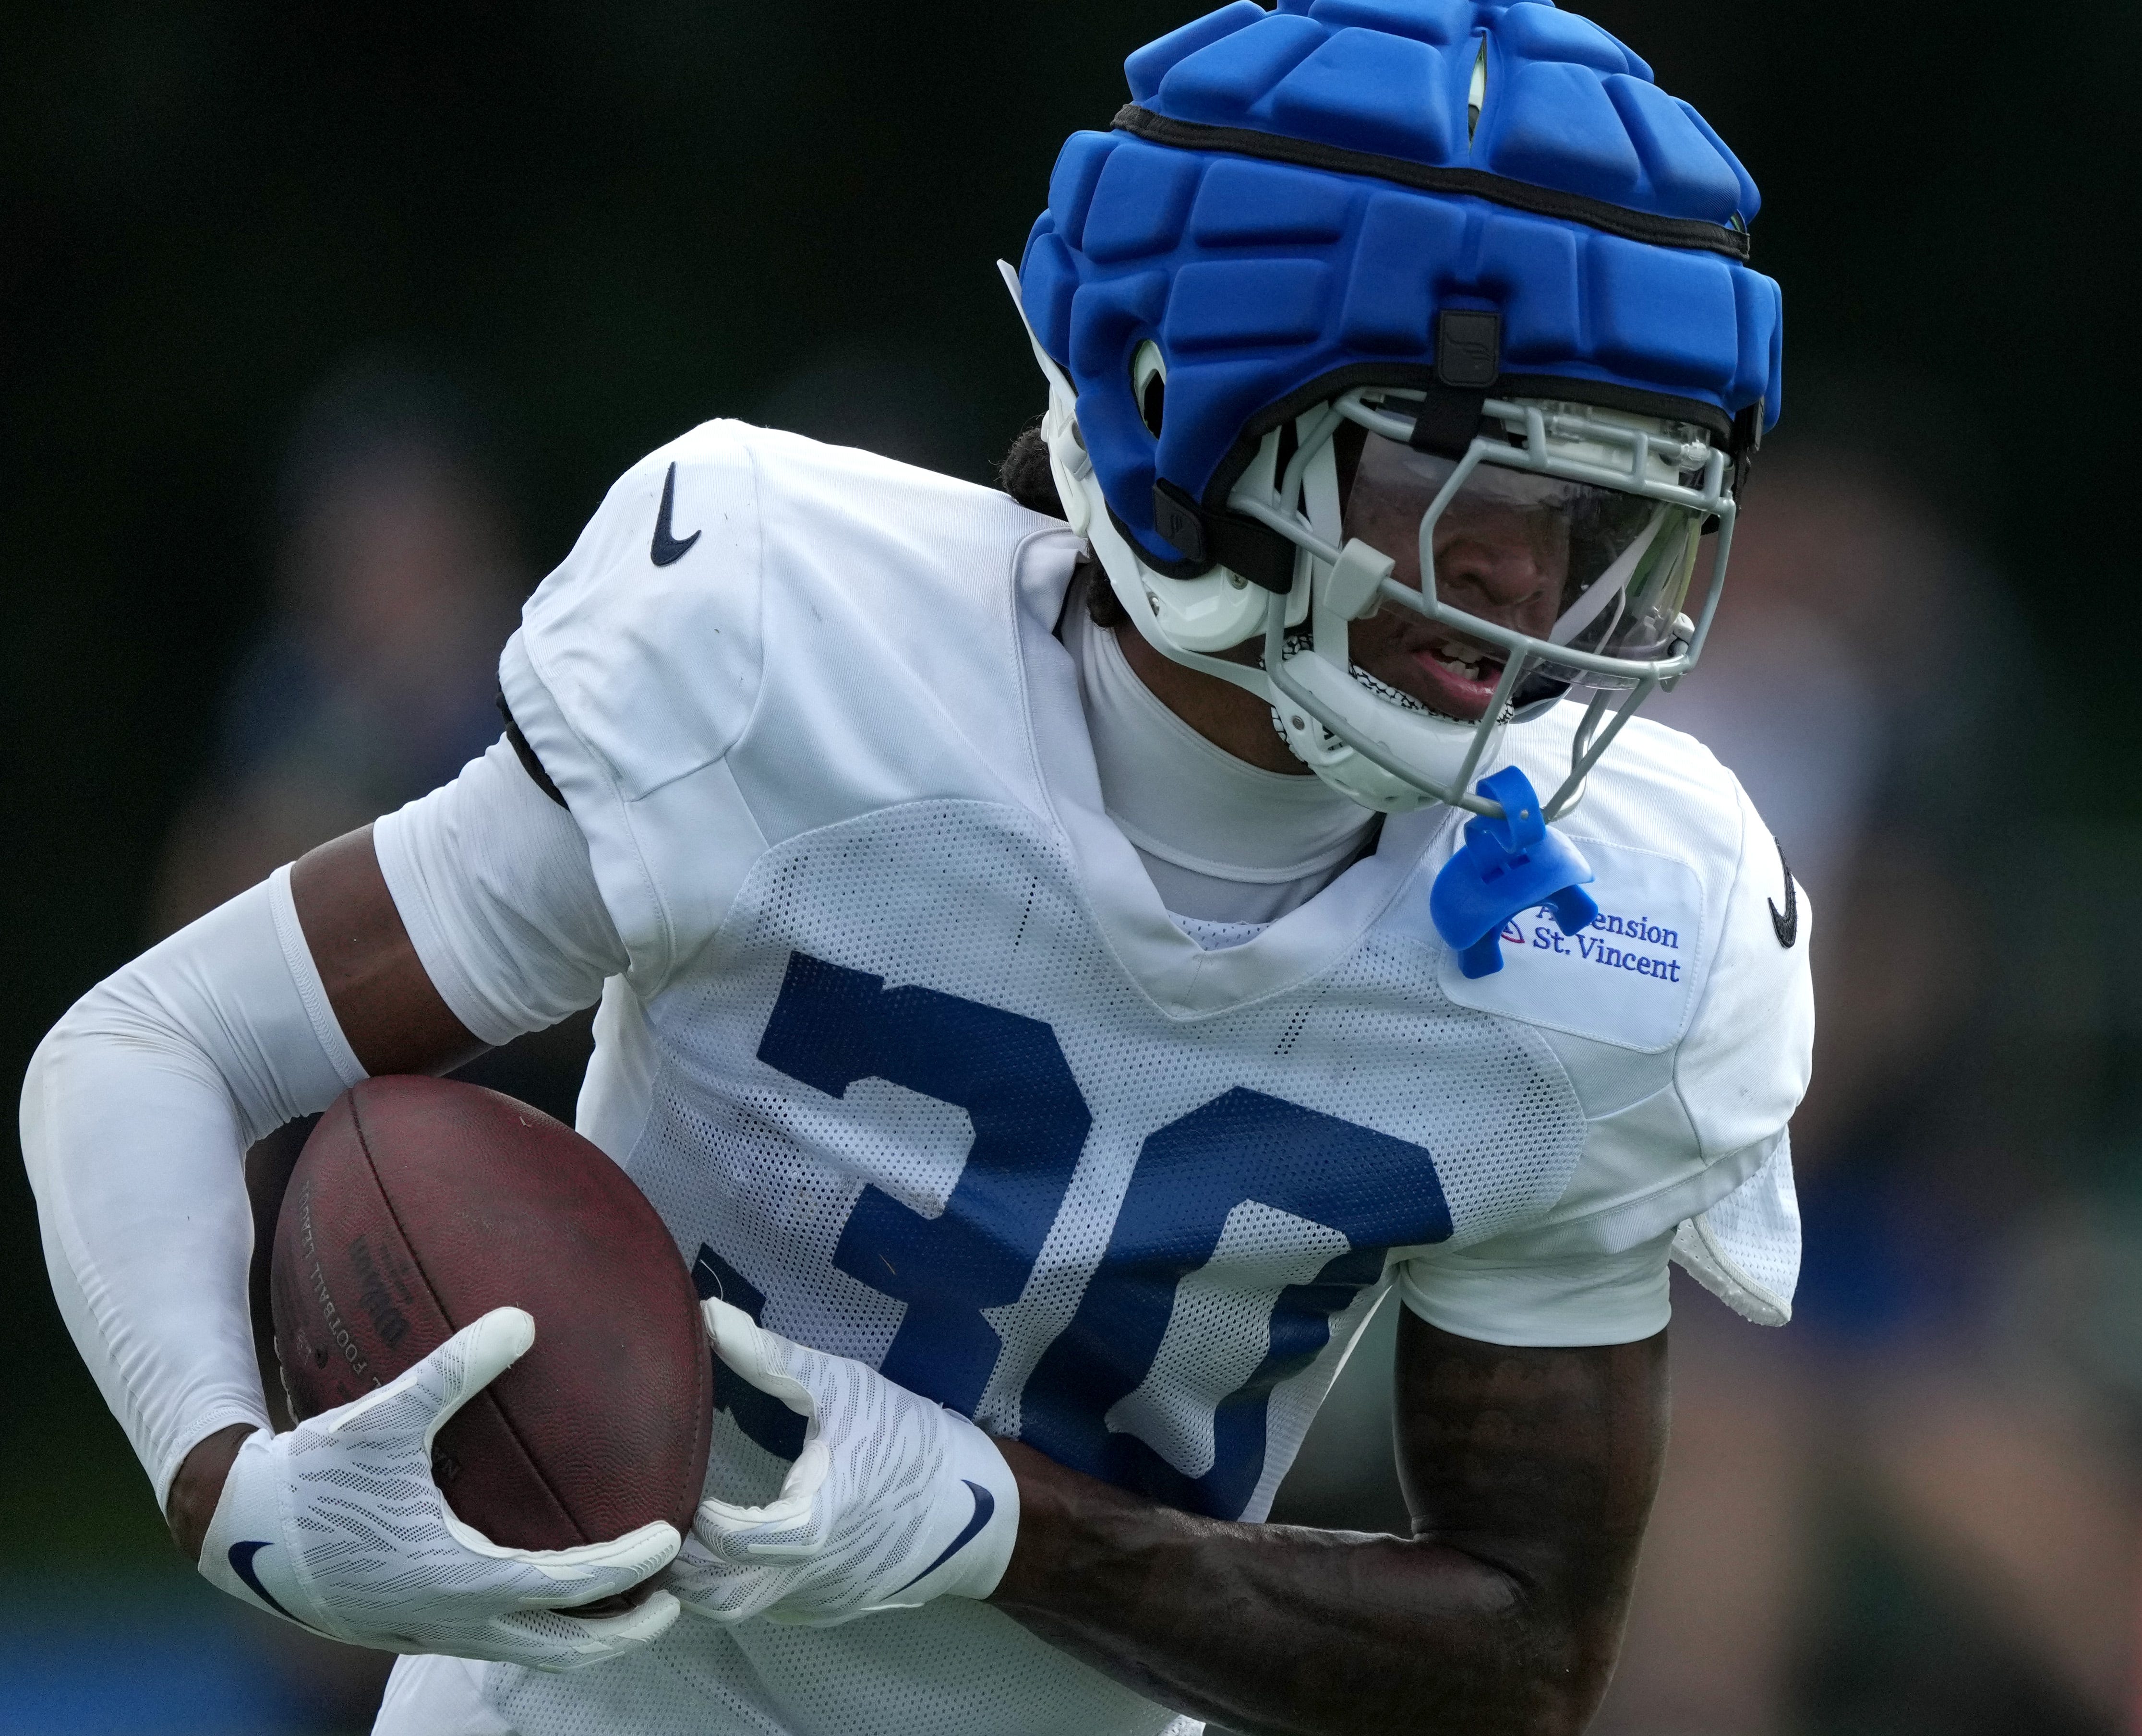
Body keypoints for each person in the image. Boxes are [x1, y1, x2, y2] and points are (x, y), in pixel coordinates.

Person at [20, 4, 1810, 1733]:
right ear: (1192, 409)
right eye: (1462, 484)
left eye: (1606, 516)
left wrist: (1012, 1526)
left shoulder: (1619, 921)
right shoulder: (791, 644)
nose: (1533, 584)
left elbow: (1524, 1659)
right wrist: (227, 1484)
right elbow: (159, 1047)